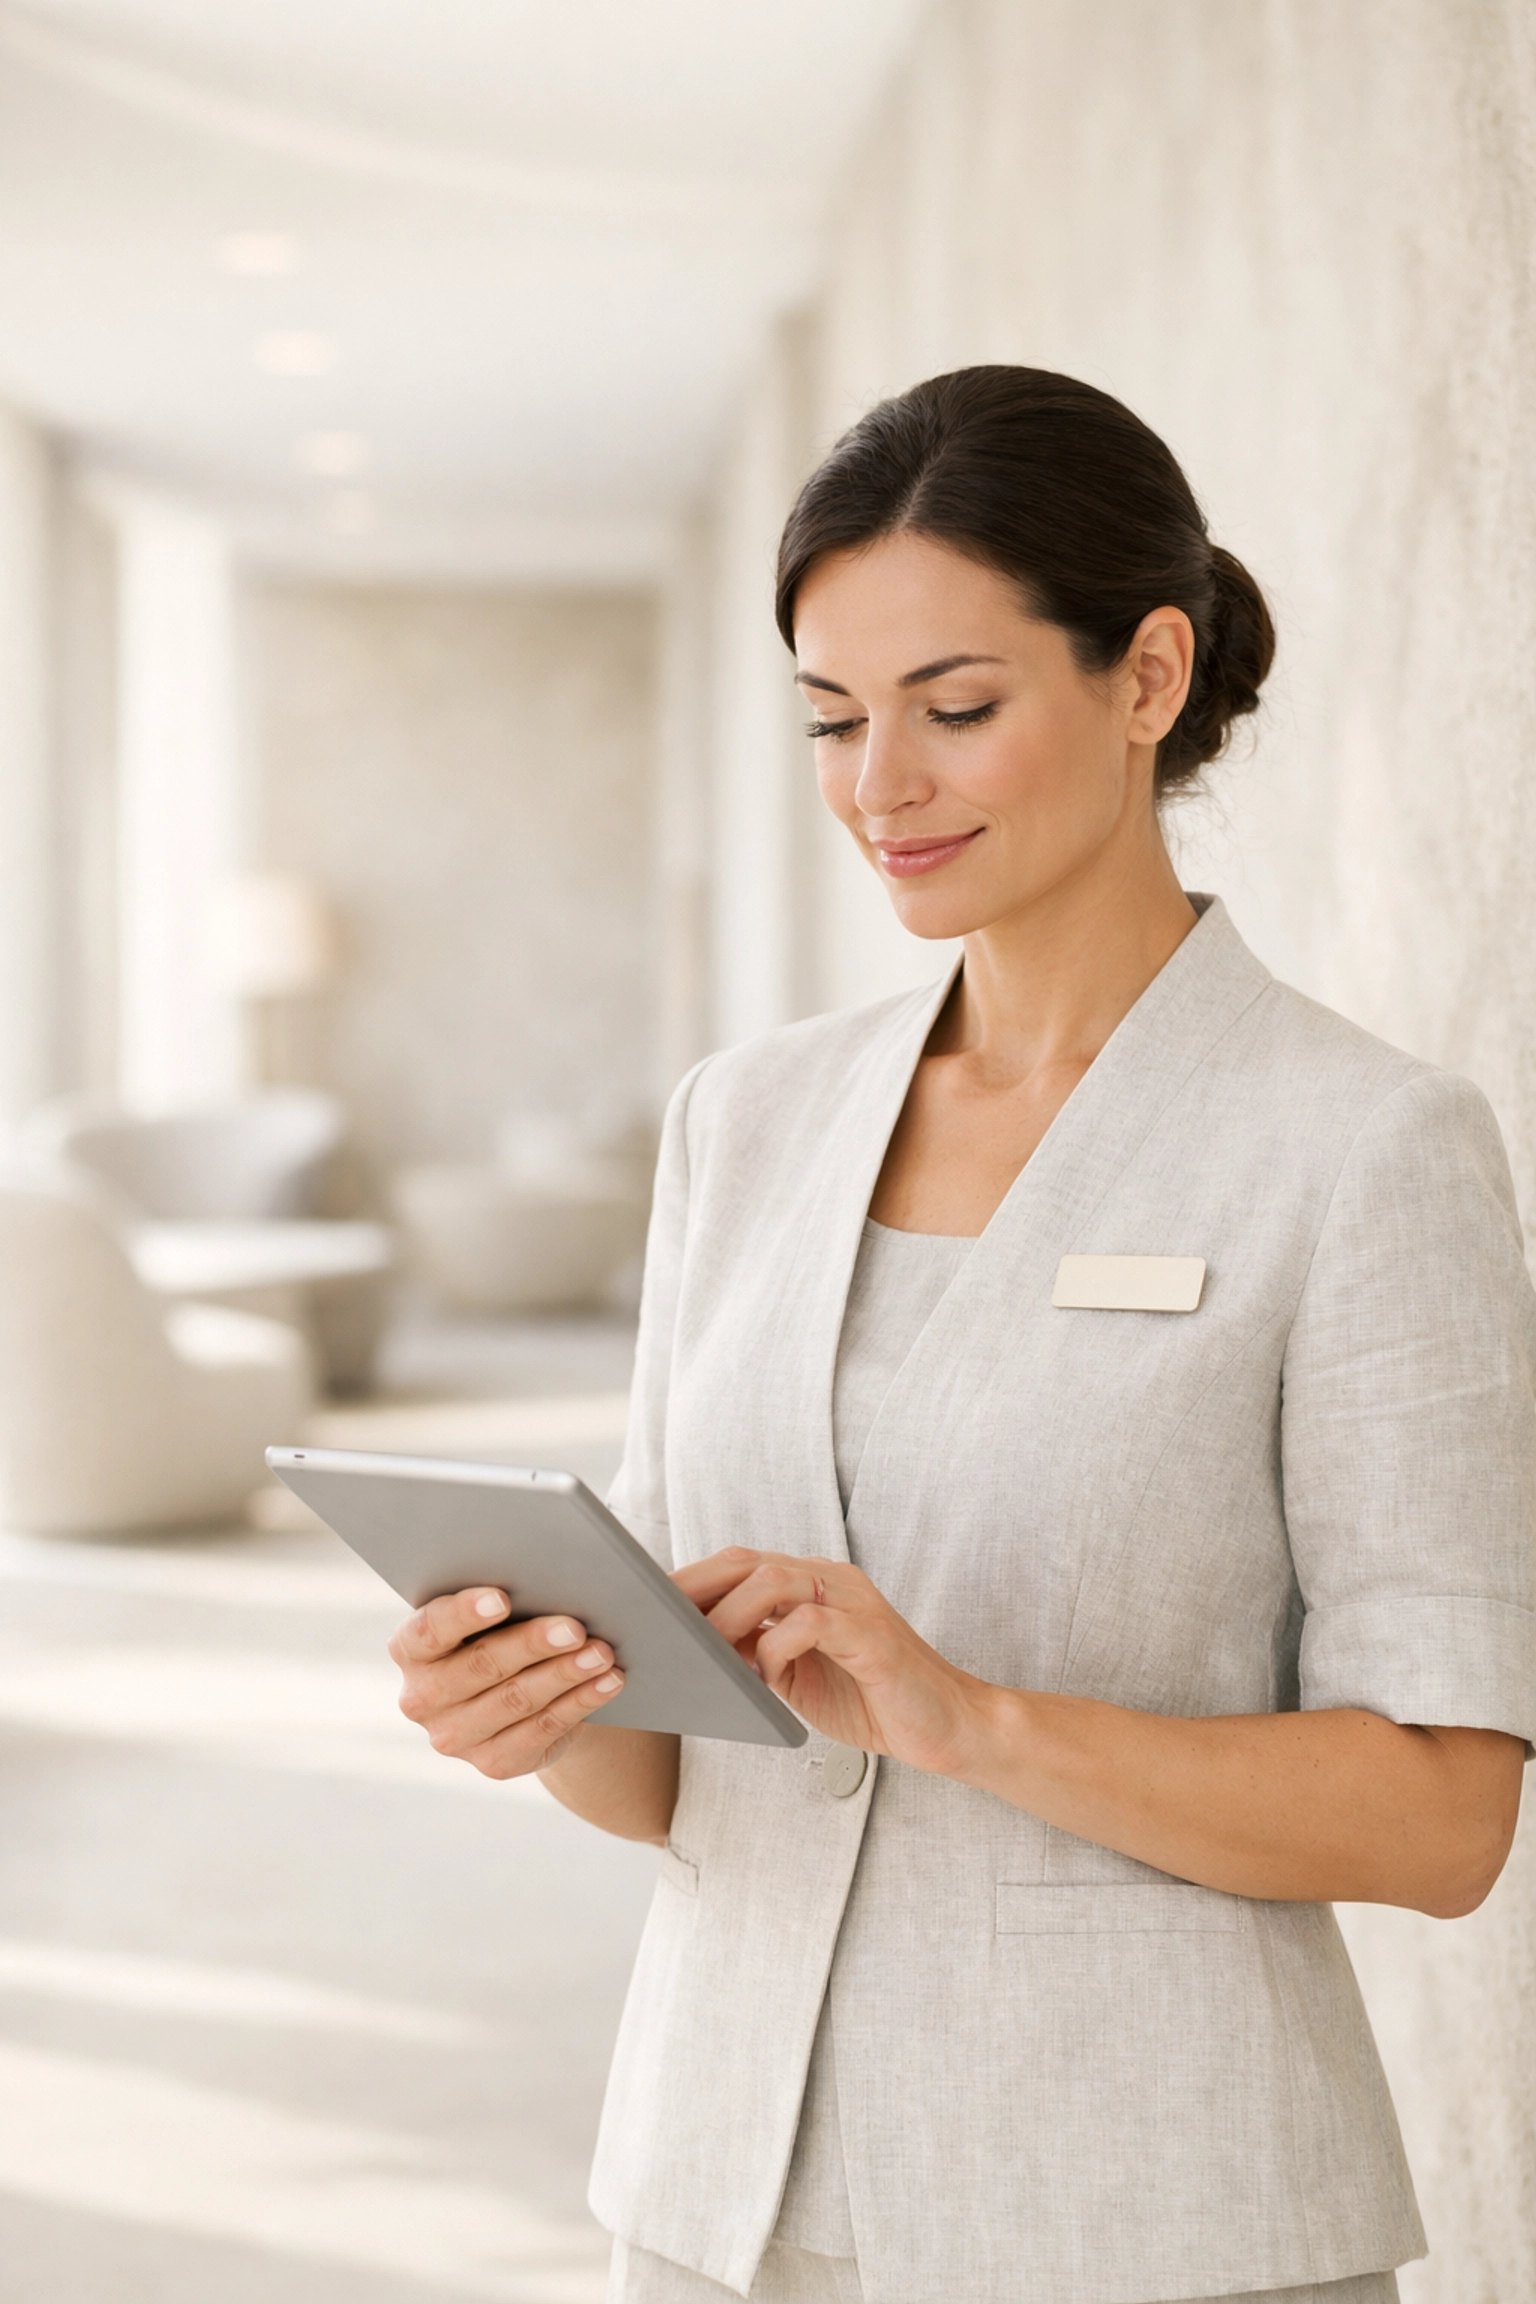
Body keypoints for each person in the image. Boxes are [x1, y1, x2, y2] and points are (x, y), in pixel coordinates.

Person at [391, 368, 1536, 2304]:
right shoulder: (739, 1123)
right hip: (719, 2192)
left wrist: (976, 1723)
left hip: (1150, 2211)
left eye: (958, 709)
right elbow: (686, 1766)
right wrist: (544, 1709)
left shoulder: (1362, 1150)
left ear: (1148, 677)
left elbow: (1441, 1817)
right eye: (834, 720)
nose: (878, 787)